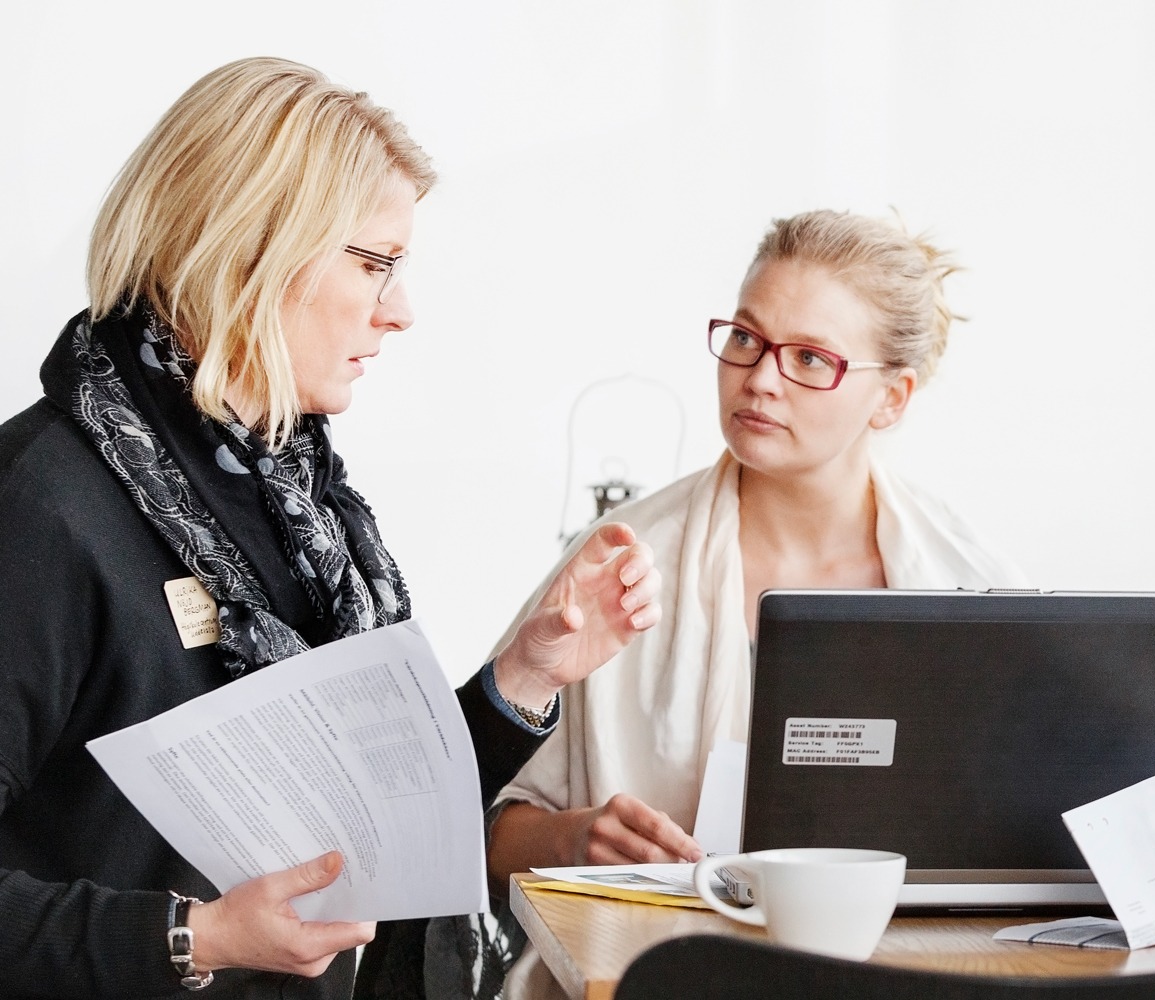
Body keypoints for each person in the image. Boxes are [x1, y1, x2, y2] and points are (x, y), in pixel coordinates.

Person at [0, 58, 662, 1000]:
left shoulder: (291, 498)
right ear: (250, 247)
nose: (400, 312)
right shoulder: (38, 508)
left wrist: (524, 677)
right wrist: (192, 938)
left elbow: (359, 833)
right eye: (375, 263)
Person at [484, 209, 1024, 997]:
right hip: (654, 980)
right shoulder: (621, 560)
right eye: (745, 338)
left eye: (810, 358)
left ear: (893, 398)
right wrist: (572, 837)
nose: (760, 378)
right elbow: (477, 825)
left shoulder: (972, 583)